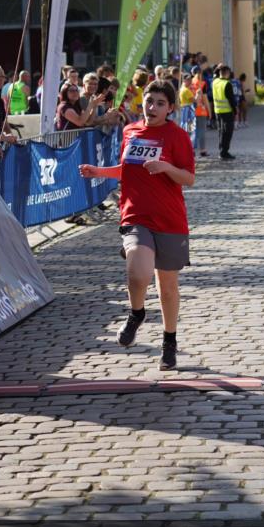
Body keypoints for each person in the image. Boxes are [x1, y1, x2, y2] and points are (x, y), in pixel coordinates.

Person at [79, 80, 195, 370]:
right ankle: (136, 312)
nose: (151, 107)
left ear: (170, 108)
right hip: (135, 215)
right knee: (138, 274)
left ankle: (169, 341)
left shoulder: (177, 136)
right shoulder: (130, 131)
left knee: (167, 287)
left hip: (169, 219)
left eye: (159, 103)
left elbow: (188, 178)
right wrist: (99, 172)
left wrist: (166, 168)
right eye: (148, 100)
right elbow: (126, 170)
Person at [212, 65, 237, 161]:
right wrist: (235, 111)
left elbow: (213, 74)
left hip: (217, 111)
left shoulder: (215, 82)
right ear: (227, 73)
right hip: (227, 111)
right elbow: (231, 99)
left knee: (221, 132)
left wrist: (217, 68)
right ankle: (224, 152)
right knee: (227, 133)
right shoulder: (227, 84)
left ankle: (221, 150)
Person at [191, 64, 211, 157]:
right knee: (201, 130)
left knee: (192, 130)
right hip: (201, 110)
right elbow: (205, 99)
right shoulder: (202, 83)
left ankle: (192, 150)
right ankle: (203, 150)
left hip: (190, 110)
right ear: (200, 73)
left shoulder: (189, 83)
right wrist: (209, 111)